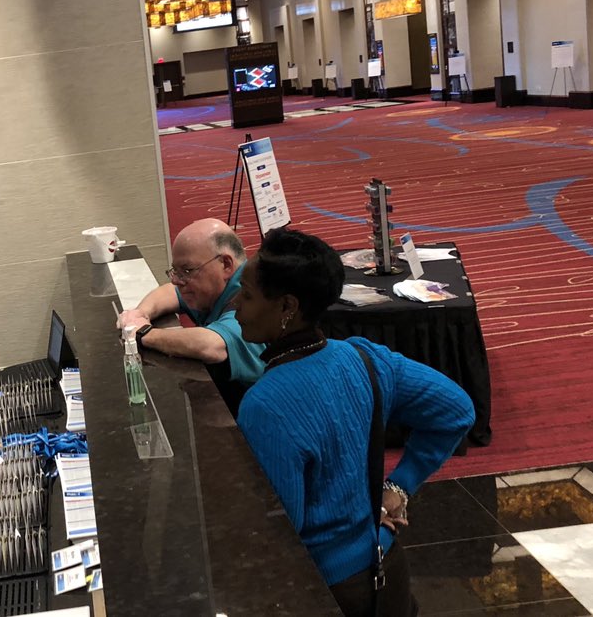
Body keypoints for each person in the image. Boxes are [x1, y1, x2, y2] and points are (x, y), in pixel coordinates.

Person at [234, 228, 475, 617]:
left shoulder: (265, 405)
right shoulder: (363, 358)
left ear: (287, 307)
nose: (235, 306)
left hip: (326, 589)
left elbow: (283, 539)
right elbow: (457, 409)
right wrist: (399, 486)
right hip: (387, 570)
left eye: (246, 295)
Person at [117, 217, 265, 415]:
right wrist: (139, 314)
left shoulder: (252, 295)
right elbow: (171, 292)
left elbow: (212, 345)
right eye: (175, 271)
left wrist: (143, 333)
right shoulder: (212, 288)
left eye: (187, 270)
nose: (178, 280)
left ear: (226, 265)